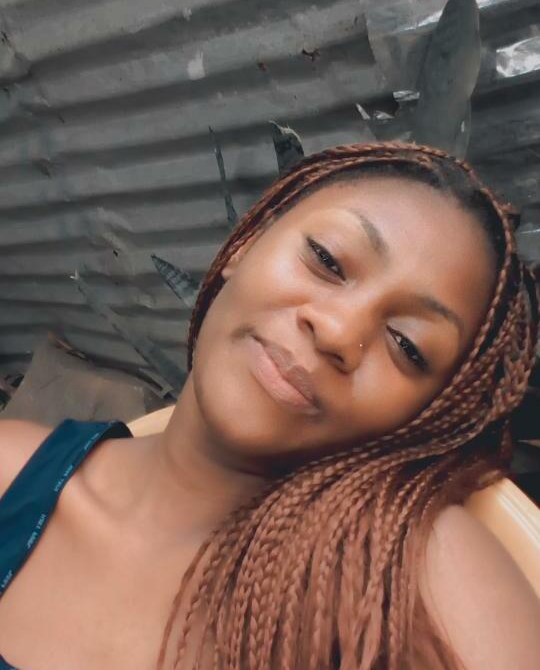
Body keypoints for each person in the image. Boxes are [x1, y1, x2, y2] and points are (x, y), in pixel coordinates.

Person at [0, 141, 539, 670]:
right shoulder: (11, 470)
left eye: (407, 345)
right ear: (247, 243)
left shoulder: (404, 571)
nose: (337, 330)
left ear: (426, 417)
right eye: (327, 260)